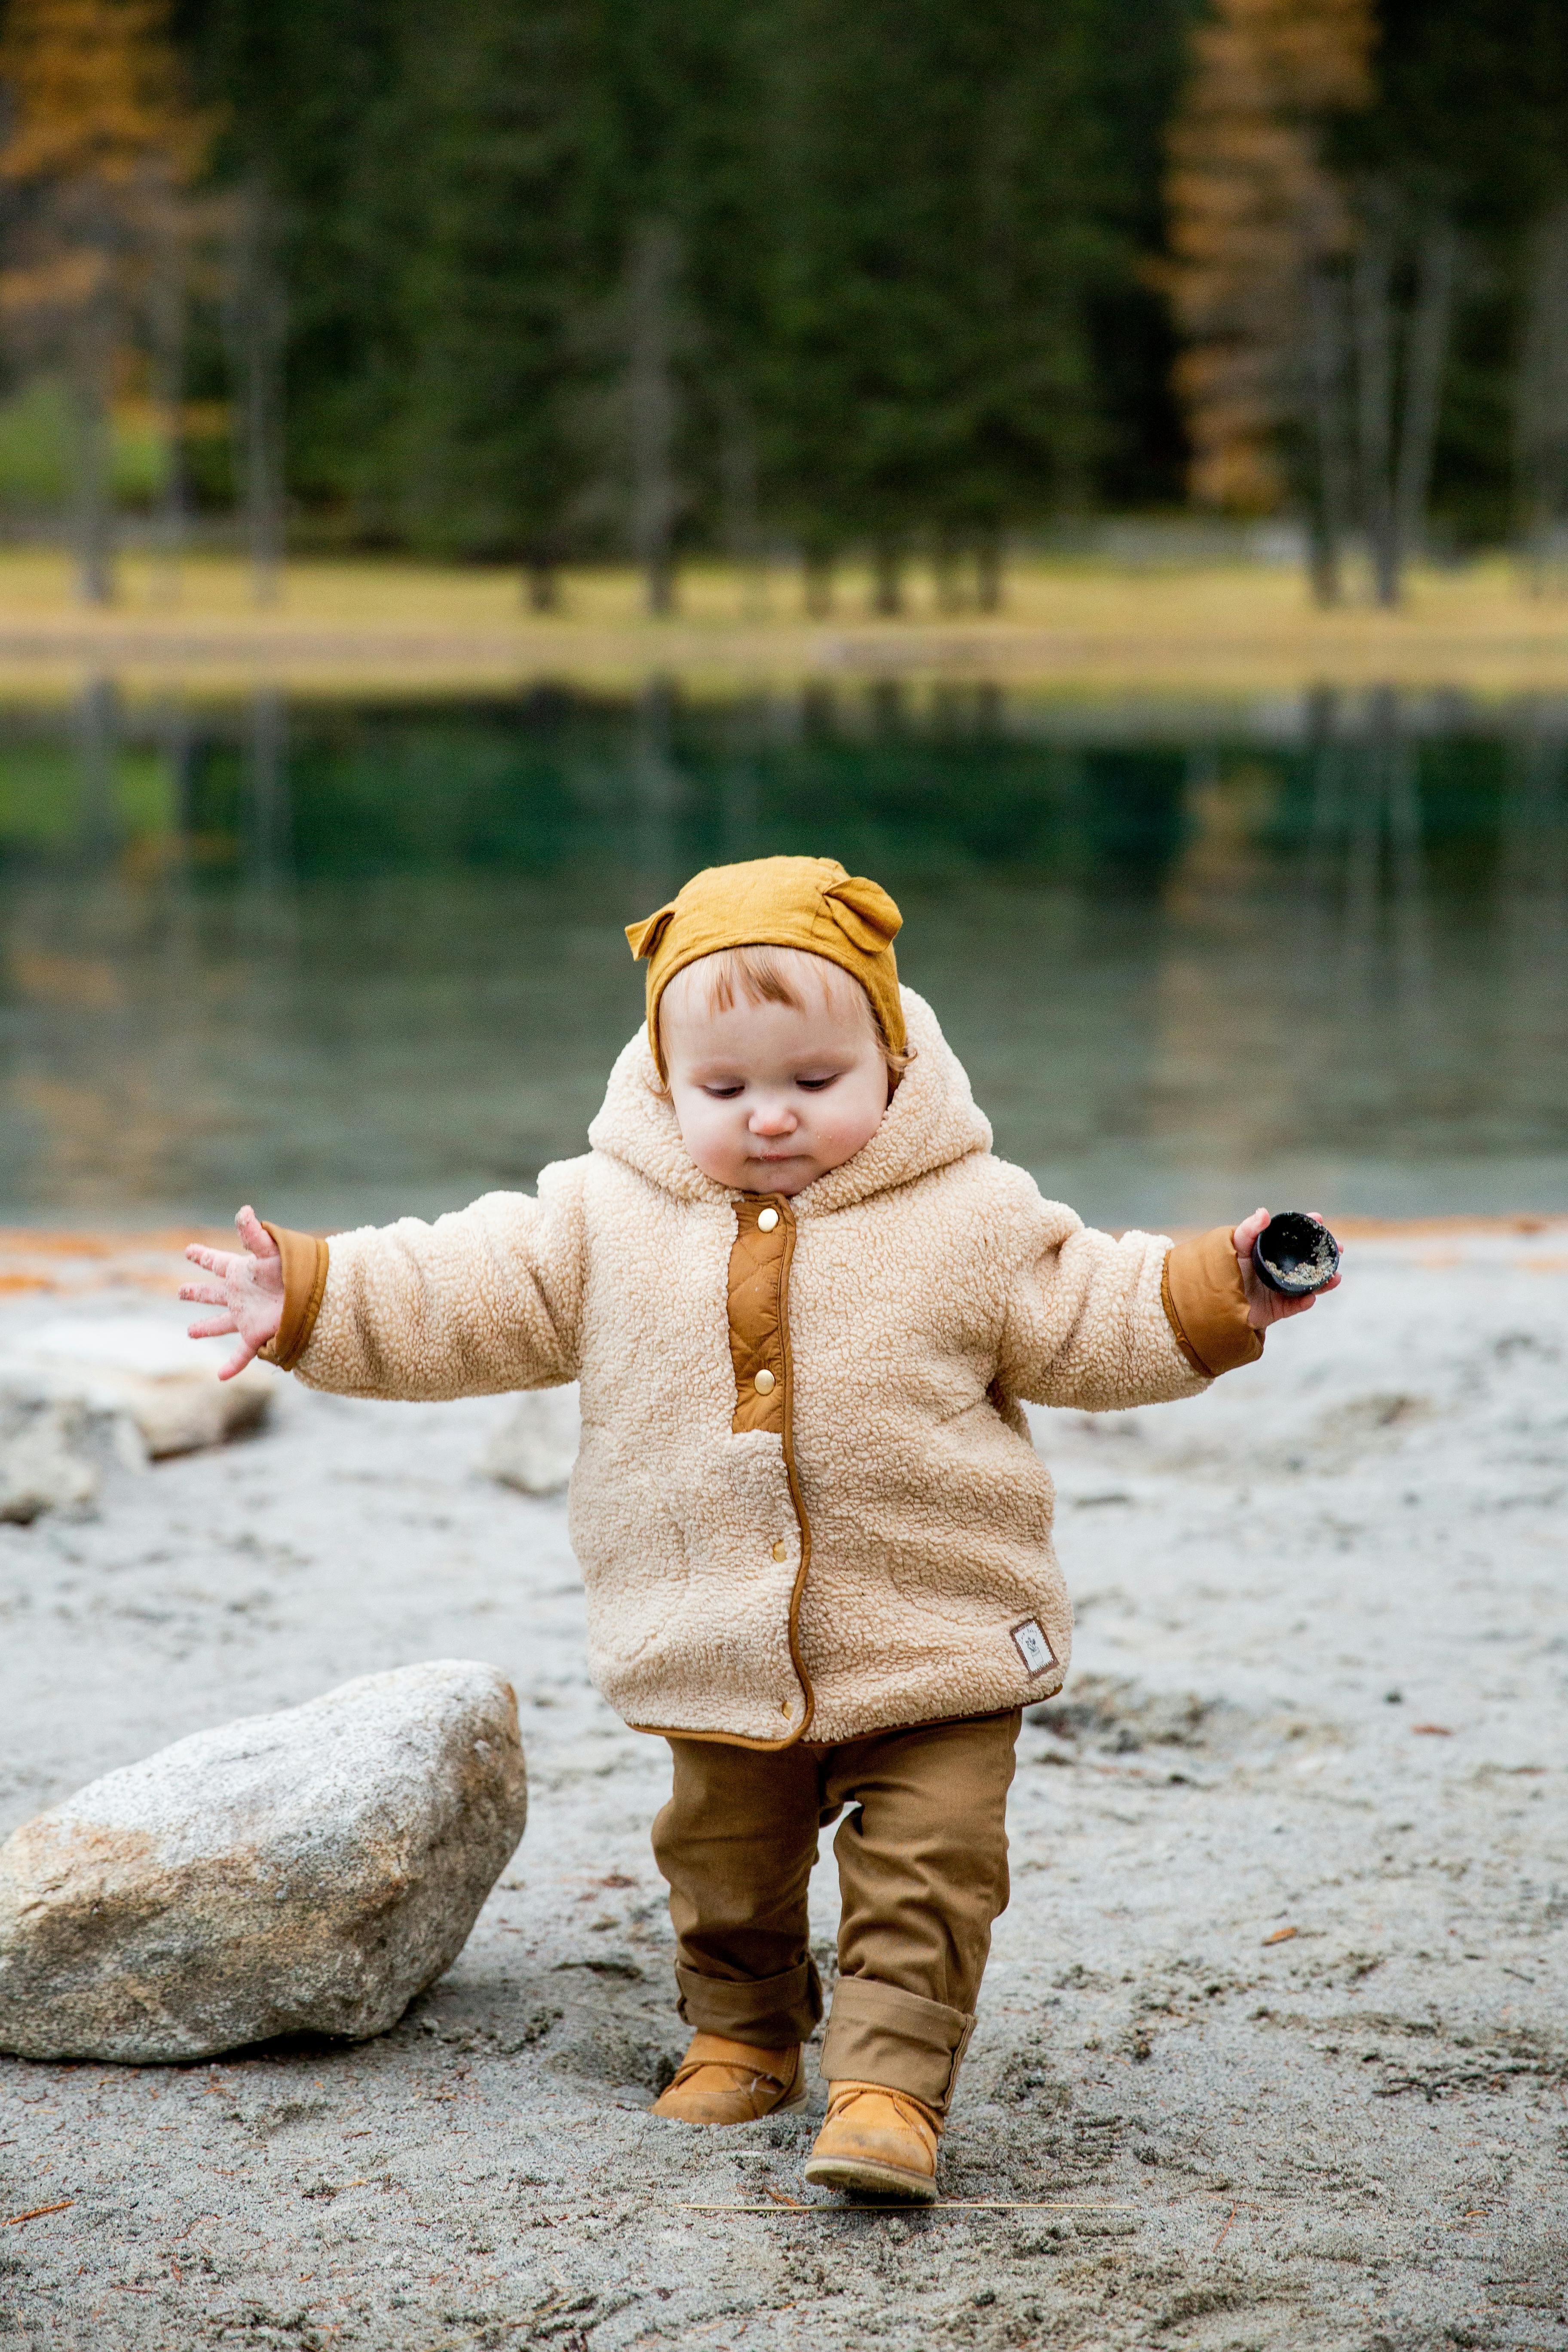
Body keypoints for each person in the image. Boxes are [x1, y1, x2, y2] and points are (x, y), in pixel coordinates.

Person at [181, 853, 1338, 2203]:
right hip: (711, 1635)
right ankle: (743, 2034)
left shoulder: (966, 1213)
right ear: (665, 1080)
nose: (770, 1118)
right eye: (724, 1091)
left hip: (939, 1641)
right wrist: (311, 1295)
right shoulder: (605, 1218)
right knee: (724, 1874)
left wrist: (1221, 1288)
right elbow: (461, 1286)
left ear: (892, 1062)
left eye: (813, 1082)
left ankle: (890, 2091)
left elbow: (1093, 1307)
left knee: (932, 1876)